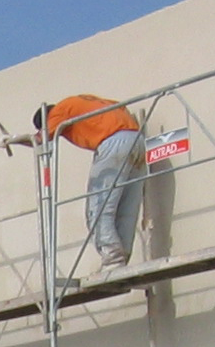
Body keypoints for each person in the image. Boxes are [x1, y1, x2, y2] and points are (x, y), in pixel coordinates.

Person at [7, 94, 143, 269]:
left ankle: (113, 260)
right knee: (126, 208)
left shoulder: (58, 112)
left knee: (98, 209)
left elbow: (41, 140)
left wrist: (14, 139)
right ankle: (121, 261)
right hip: (137, 140)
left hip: (113, 144)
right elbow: (122, 107)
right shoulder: (85, 102)